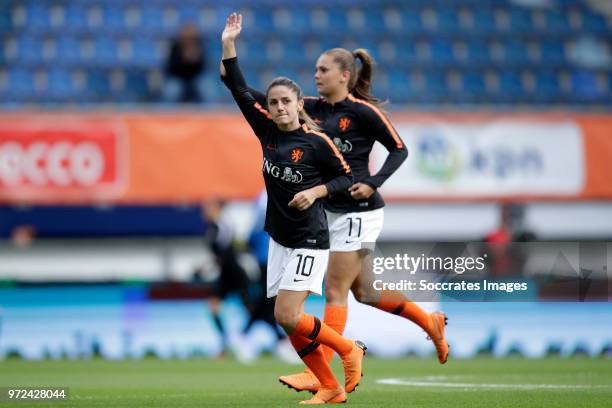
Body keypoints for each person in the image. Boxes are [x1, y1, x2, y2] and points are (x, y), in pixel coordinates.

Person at [220, 20, 449, 394]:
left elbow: (400, 149)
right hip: (328, 209)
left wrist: (372, 182)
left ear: (344, 75)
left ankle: (324, 370)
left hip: (359, 211)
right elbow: (254, 96)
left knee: (336, 290)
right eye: (314, 70)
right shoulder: (306, 107)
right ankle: (429, 322)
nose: (316, 75)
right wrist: (231, 64)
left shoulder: (362, 112)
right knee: (367, 293)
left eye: (322, 70)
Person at [220, 13, 366, 404]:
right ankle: (331, 387)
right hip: (280, 239)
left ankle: (349, 349)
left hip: (310, 238)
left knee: (286, 314)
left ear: (299, 104)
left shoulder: (317, 142)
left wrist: (317, 191)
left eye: (287, 101)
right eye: (274, 102)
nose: (280, 107)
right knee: (290, 326)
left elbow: (346, 179)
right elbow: (236, 88)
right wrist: (229, 44)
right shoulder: (265, 130)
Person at [165, 24, 206, 103]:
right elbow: (170, 67)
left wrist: (195, 61)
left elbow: (204, 67)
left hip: (196, 78)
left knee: (206, 87)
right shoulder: (175, 47)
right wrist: (183, 59)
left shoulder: (199, 46)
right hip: (178, 78)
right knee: (171, 90)